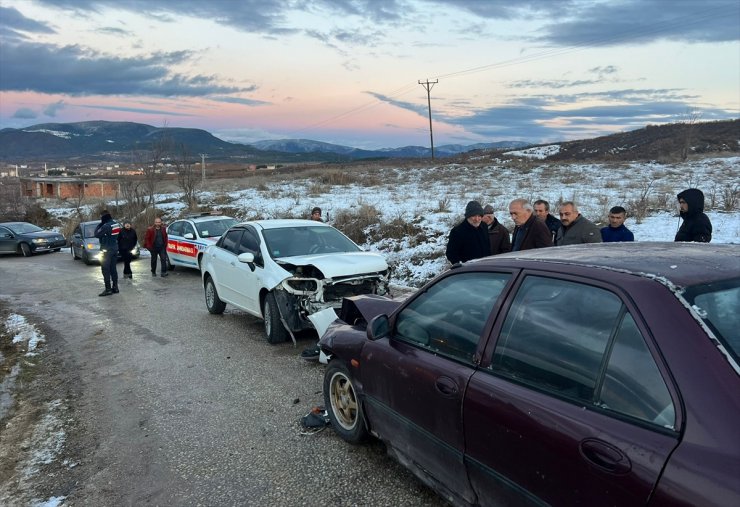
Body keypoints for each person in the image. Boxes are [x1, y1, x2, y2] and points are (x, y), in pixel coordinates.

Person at [94, 210, 121, 296]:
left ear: (103, 217)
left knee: (105, 269)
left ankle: (108, 289)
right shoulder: (115, 224)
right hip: (114, 248)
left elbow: (96, 234)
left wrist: (100, 224)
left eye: (101, 217)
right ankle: (115, 287)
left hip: (106, 250)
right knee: (113, 269)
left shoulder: (106, 226)